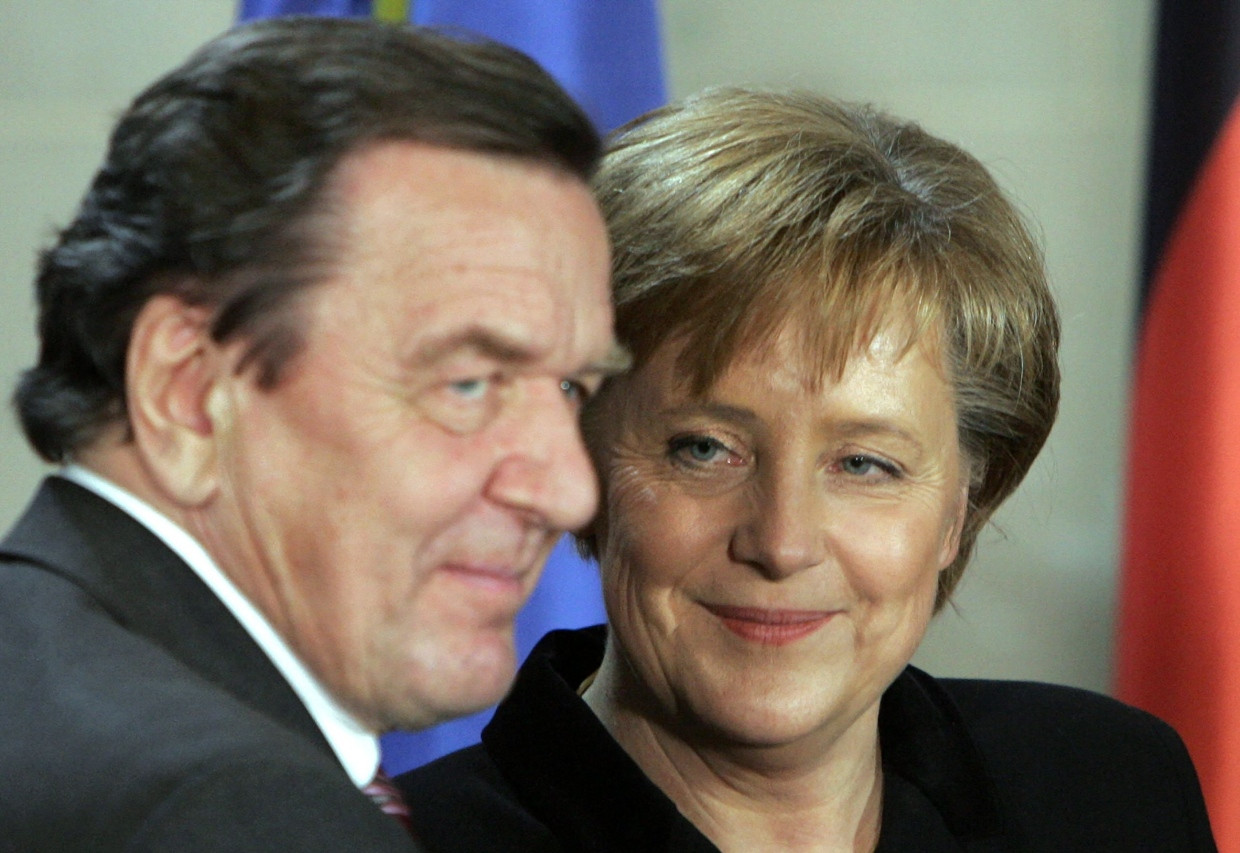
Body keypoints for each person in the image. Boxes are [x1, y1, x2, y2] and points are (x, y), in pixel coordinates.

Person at [397, 89, 1218, 851]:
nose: (782, 542)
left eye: (865, 463)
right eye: (706, 448)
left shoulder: (1109, 792)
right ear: (577, 464)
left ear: (959, 510)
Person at [0, 16, 623, 851]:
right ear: (187, 390)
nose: (571, 490)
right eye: (468, 382)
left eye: (570, 387)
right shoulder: (238, 812)